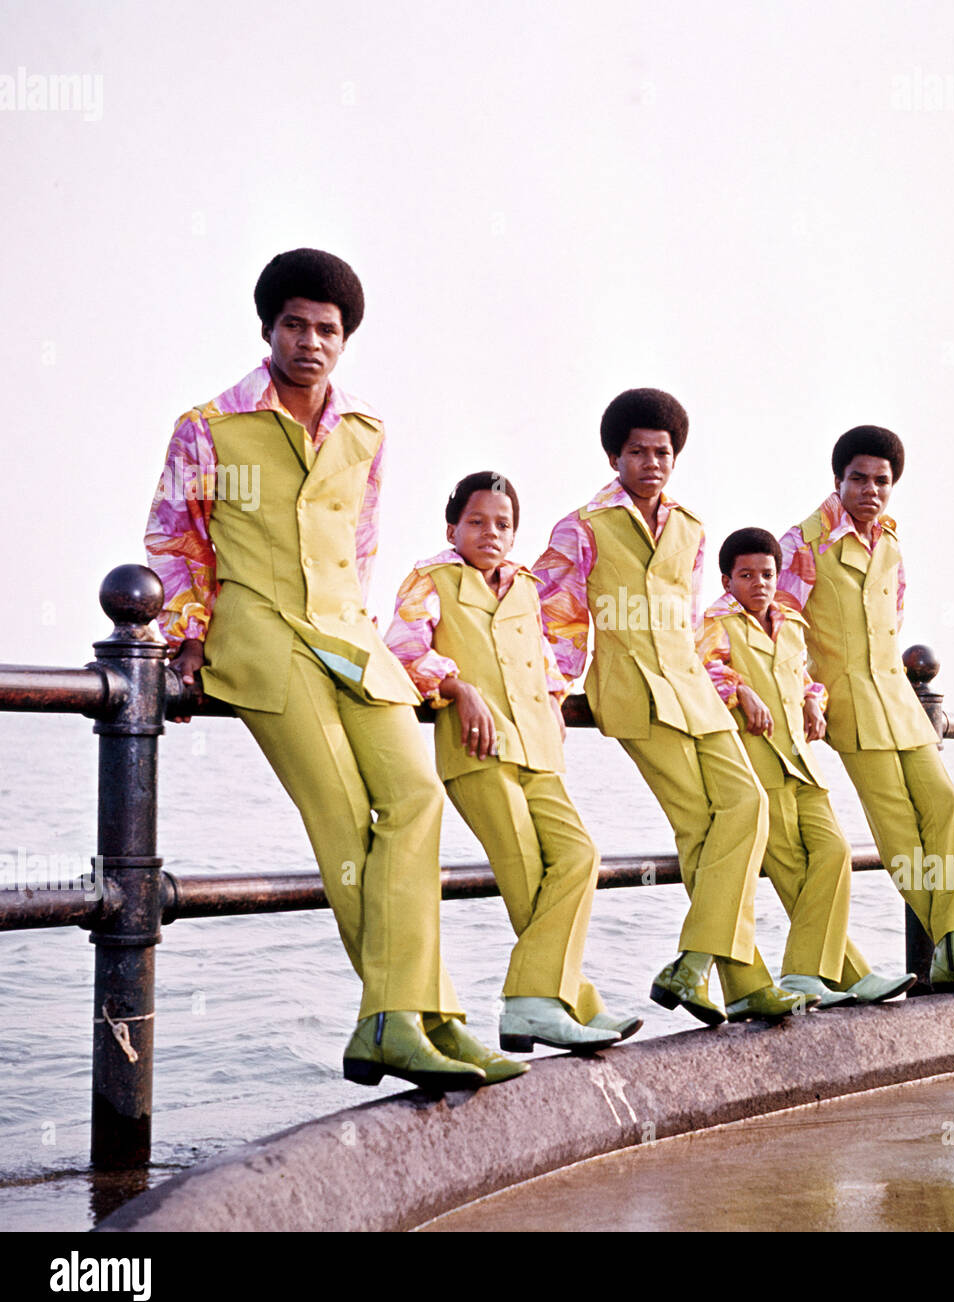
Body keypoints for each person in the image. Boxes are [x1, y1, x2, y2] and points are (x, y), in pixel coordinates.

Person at [144, 248, 525, 1092]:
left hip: (354, 641)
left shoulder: (365, 431)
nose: (310, 341)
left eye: (327, 329)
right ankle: (421, 1018)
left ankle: (401, 1019)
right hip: (265, 639)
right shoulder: (210, 425)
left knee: (418, 798)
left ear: (345, 339)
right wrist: (188, 632)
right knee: (349, 824)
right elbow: (175, 537)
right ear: (268, 329)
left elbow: (359, 542)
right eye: (295, 325)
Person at [533, 388, 809, 1025]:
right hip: (631, 691)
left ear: (674, 457)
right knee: (700, 827)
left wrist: (722, 682)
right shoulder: (583, 526)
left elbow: (687, 621)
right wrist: (552, 691)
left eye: (662, 452)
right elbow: (558, 619)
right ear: (614, 457)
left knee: (748, 804)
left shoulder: (690, 526)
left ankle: (692, 962)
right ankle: (743, 982)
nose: (651, 462)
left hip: (693, 688)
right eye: (637, 452)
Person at [384, 469, 641, 1054]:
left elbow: (546, 657)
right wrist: (458, 689)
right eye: (476, 521)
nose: (490, 533)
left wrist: (554, 698)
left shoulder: (525, 586)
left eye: (503, 524)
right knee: (526, 872)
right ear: (453, 526)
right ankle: (553, 1006)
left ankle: (553, 1003)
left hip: (540, 750)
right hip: (478, 752)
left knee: (580, 855)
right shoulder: (431, 580)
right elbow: (403, 650)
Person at [776, 426, 954, 991]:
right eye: (859, 479)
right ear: (838, 479)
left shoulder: (891, 544)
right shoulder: (802, 542)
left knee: (945, 802)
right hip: (845, 703)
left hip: (898, 698)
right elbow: (783, 628)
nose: (870, 490)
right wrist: (806, 694)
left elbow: (891, 622)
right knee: (899, 831)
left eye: (882, 482)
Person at [696, 527, 916, 1006]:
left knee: (834, 852)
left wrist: (815, 700)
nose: (759, 583)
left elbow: (805, 677)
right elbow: (700, 668)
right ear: (726, 579)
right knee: (793, 869)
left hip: (803, 761)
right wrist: (740, 689)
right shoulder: (716, 621)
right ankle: (842, 977)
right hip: (758, 766)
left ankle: (808, 975)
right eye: (746, 575)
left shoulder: (791, 623)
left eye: (767, 574)